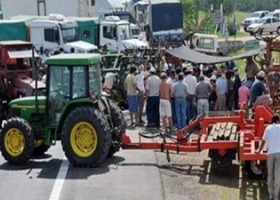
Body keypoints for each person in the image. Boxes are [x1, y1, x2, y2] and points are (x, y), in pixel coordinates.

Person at [257, 115, 280, 200]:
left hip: (270, 154)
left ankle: (270, 195)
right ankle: (276, 196)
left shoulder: (268, 128)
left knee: (270, 174)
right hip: (279, 153)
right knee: (277, 175)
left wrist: (259, 151)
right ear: (278, 121)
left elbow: (263, 141)